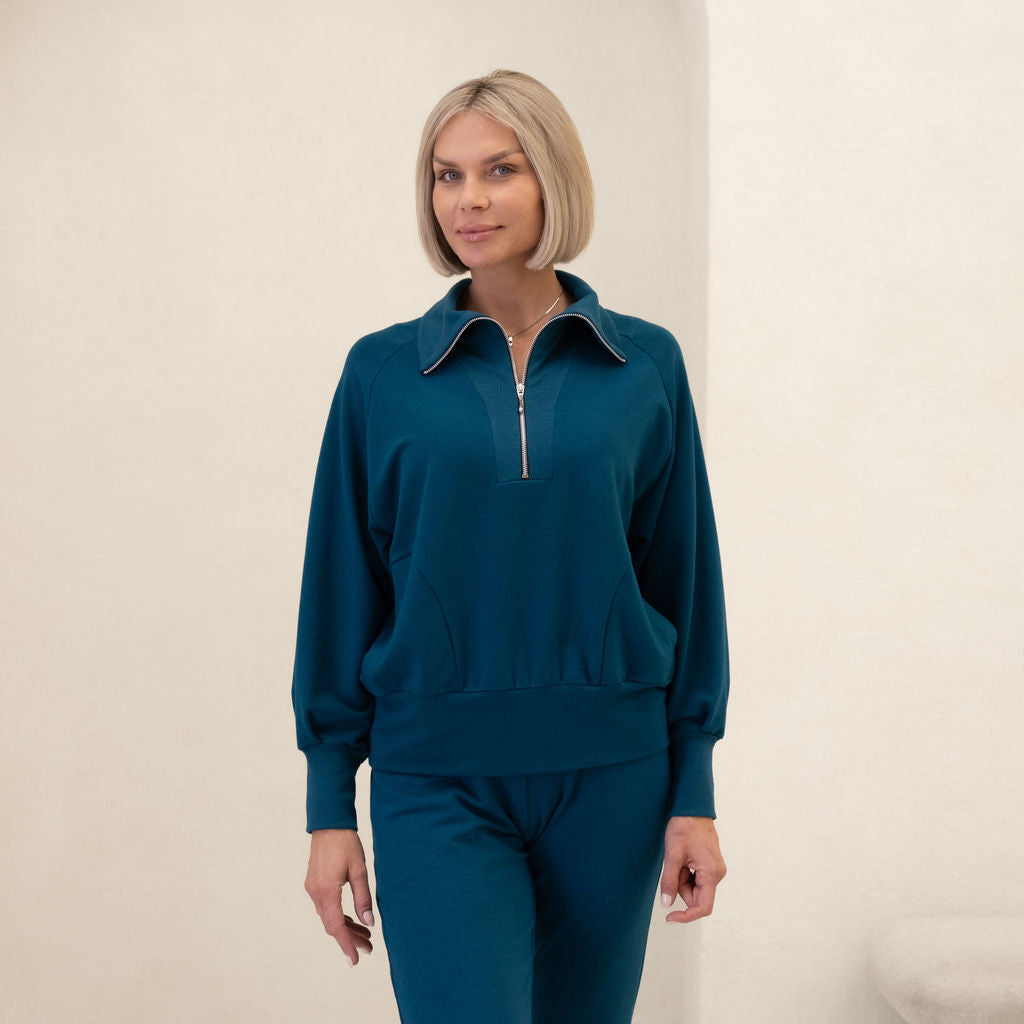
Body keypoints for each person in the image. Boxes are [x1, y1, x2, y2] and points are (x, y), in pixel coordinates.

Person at [291, 68, 730, 1024]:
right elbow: (340, 590)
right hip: (435, 780)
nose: (470, 200)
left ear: (552, 179)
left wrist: (693, 788)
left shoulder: (643, 364)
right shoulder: (381, 374)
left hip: (612, 779)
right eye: (447, 175)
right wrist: (330, 806)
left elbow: (684, 581)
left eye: (500, 169)